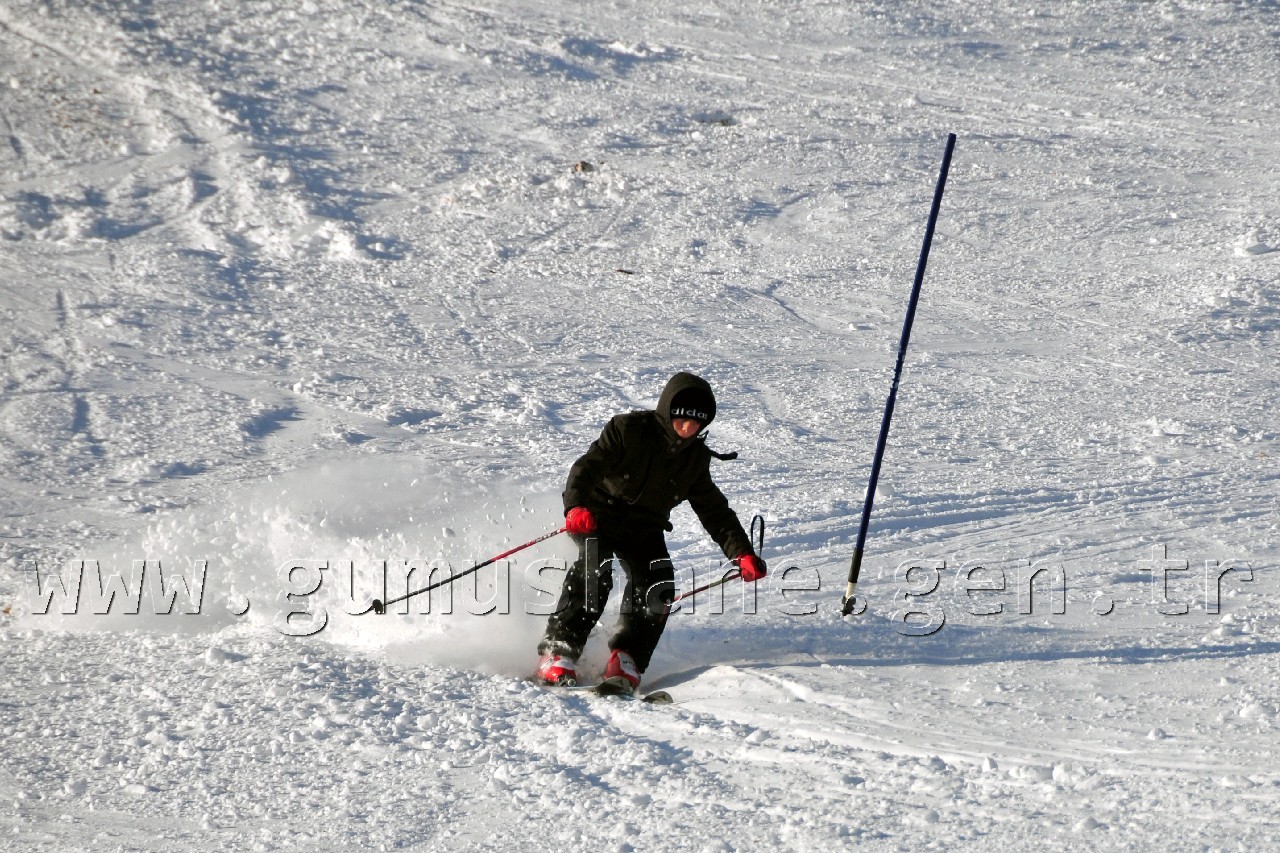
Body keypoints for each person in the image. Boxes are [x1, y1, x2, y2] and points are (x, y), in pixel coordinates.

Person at [536, 371, 766, 690]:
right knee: (596, 568)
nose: (687, 428)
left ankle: (626, 655)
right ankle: (558, 650)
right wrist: (575, 506)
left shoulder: (694, 460)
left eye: (696, 423)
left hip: (644, 526)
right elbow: (585, 468)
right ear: (667, 410)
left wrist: (742, 553)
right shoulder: (628, 430)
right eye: (681, 419)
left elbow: (716, 513)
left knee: (658, 582)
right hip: (597, 514)